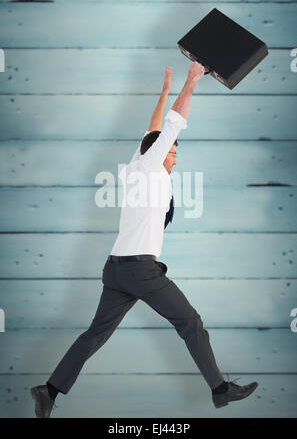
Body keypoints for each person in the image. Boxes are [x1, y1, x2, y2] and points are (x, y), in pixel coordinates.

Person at [31, 61, 258, 418]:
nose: (175, 158)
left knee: (95, 334)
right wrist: (190, 82)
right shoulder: (151, 165)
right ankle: (219, 389)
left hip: (115, 269)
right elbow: (171, 124)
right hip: (140, 270)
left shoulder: (137, 164)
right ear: (158, 153)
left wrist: (165, 90)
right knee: (190, 323)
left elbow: (153, 130)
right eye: (173, 152)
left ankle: (49, 390)